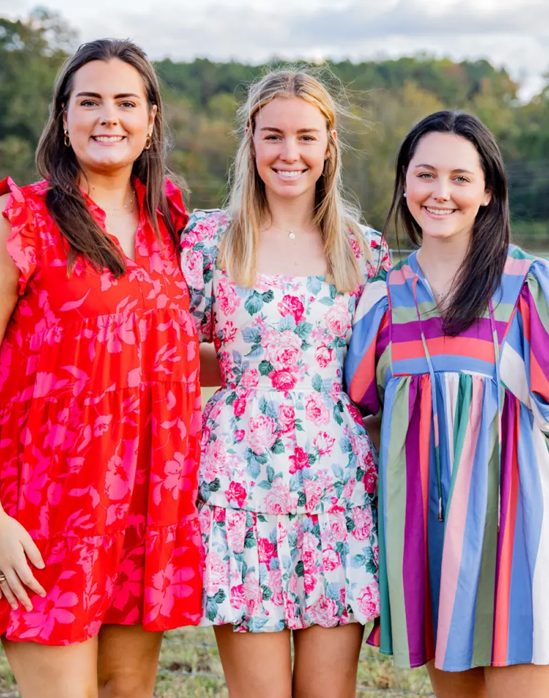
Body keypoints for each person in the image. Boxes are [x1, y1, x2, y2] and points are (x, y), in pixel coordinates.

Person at [0, 39, 204, 698]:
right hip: (44, 513)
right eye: (89, 101)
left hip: (139, 512)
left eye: (126, 102)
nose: (109, 117)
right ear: (62, 119)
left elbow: (163, 358)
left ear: (151, 119)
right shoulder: (17, 219)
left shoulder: (169, 222)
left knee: (129, 691)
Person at [345, 111, 549, 698]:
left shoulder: (530, 285)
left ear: (487, 192)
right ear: (405, 183)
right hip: (431, 548)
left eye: (460, 177)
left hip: (527, 541)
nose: (441, 192)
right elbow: (375, 426)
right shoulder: (380, 300)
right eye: (425, 174)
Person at [181, 69, 389, 698]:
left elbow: (375, 371)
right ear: (250, 139)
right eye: (273, 135)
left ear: (329, 144)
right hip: (239, 487)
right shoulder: (209, 240)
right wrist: (251, 376)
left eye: (305, 136)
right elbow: (174, 356)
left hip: (336, 489)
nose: (289, 153)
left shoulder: (364, 249)